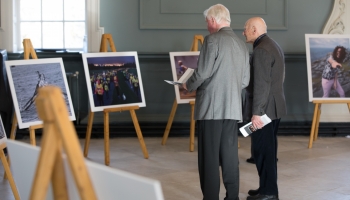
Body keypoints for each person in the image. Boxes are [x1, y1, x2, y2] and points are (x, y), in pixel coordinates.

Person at [183, 4, 250, 200]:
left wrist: (188, 85)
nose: (207, 26)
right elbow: (245, 81)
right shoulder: (241, 44)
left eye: (207, 22)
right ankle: (232, 197)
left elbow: (202, 73)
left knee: (209, 158)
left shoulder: (211, 40)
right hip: (232, 109)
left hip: (211, 109)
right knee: (229, 157)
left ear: (213, 20)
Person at [242, 17, 287, 200]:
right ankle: (265, 188)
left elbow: (261, 84)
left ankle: (268, 193)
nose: (243, 32)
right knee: (267, 150)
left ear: (254, 29)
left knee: (262, 151)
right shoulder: (273, 44)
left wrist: (256, 113)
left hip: (264, 111)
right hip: (274, 107)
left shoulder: (261, 50)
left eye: (245, 29)